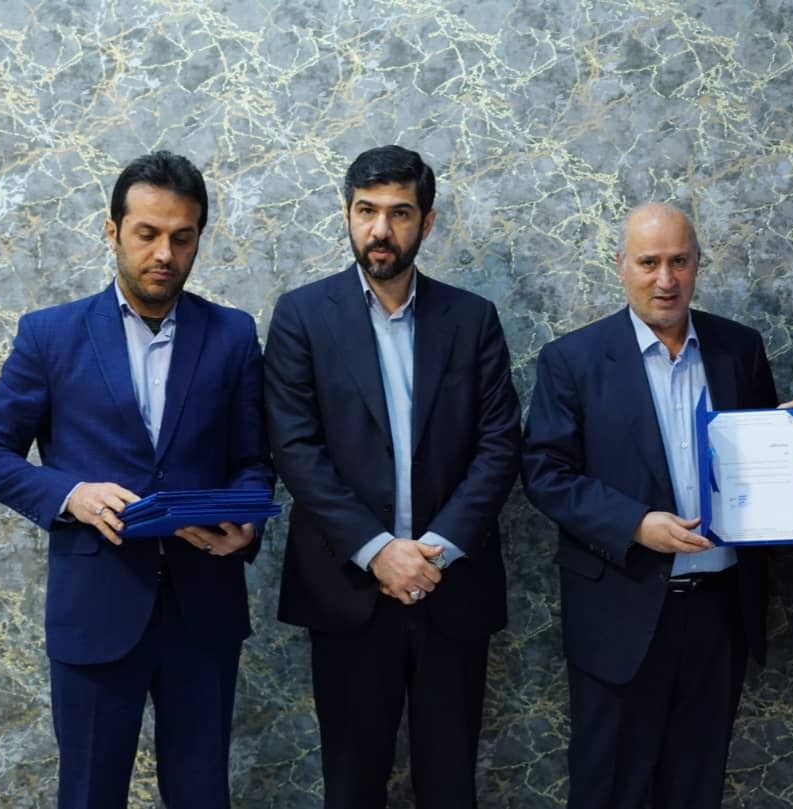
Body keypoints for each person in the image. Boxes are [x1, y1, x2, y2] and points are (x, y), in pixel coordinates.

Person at [0, 151, 274, 808]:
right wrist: (71, 495)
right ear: (112, 231)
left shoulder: (231, 335)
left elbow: (253, 459)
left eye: (183, 236)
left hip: (204, 611)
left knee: (202, 795)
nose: (165, 253)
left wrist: (248, 523)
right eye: (147, 233)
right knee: (89, 795)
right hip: (95, 609)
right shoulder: (49, 336)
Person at [264, 144, 521, 808]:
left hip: (450, 586)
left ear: (426, 222)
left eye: (399, 213)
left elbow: (499, 446)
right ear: (348, 214)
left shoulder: (472, 319)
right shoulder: (302, 316)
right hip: (347, 590)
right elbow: (296, 448)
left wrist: (432, 552)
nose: (380, 229)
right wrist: (379, 551)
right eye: (366, 211)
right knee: (351, 786)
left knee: (450, 785)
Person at [521, 202, 777, 809]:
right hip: (621, 607)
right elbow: (544, 472)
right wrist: (635, 524)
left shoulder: (739, 349)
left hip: (719, 612)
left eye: (679, 262)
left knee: (696, 787)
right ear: (621, 265)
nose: (666, 279)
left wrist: (789, 444)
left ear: (698, 264)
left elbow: (764, 456)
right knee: (611, 788)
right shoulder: (573, 360)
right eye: (649, 262)